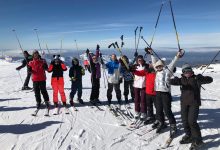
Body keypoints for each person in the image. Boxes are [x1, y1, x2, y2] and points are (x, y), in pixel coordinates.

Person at [170, 64, 213, 150]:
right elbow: (170, 82)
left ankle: (198, 140)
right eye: (185, 71)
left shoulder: (196, 78)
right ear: (183, 72)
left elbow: (210, 79)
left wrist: (202, 78)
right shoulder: (181, 80)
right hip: (184, 103)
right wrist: (173, 80)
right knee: (185, 121)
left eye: (189, 71)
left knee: (192, 121)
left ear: (191, 71)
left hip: (194, 103)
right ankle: (189, 135)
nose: (187, 73)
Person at [148, 48, 182, 135]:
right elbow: (153, 61)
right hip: (157, 93)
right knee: (158, 110)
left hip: (166, 94)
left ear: (162, 66)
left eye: (160, 66)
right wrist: (151, 54)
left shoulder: (167, 71)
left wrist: (177, 56)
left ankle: (173, 125)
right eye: (157, 66)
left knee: (167, 111)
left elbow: (173, 63)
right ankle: (161, 123)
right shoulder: (156, 71)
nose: (158, 67)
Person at [28, 50, 50, 115]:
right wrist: (29, 70)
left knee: (44, 91)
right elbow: (29, 71)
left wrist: (45, 67)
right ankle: (38, 102)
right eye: (34, 54)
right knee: (36, 92)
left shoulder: (42, 61)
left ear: (38, 54)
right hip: (35, 79)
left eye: (36, 54)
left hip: (42, 78)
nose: (36, 55)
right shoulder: (30, 62)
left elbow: (47, 69)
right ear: (33, 55)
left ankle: (46, 101)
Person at [131, 55, 148, 120]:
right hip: (136, 85)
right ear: (137, 60)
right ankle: (137, 111)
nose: (140, 61)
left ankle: (143, 112)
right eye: (139, 60)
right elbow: (128, 69)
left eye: (141, 60)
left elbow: (143, 73)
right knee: (137, 99)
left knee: (143, 99)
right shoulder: (134, 66)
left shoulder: (145, 66)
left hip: (144, 85)